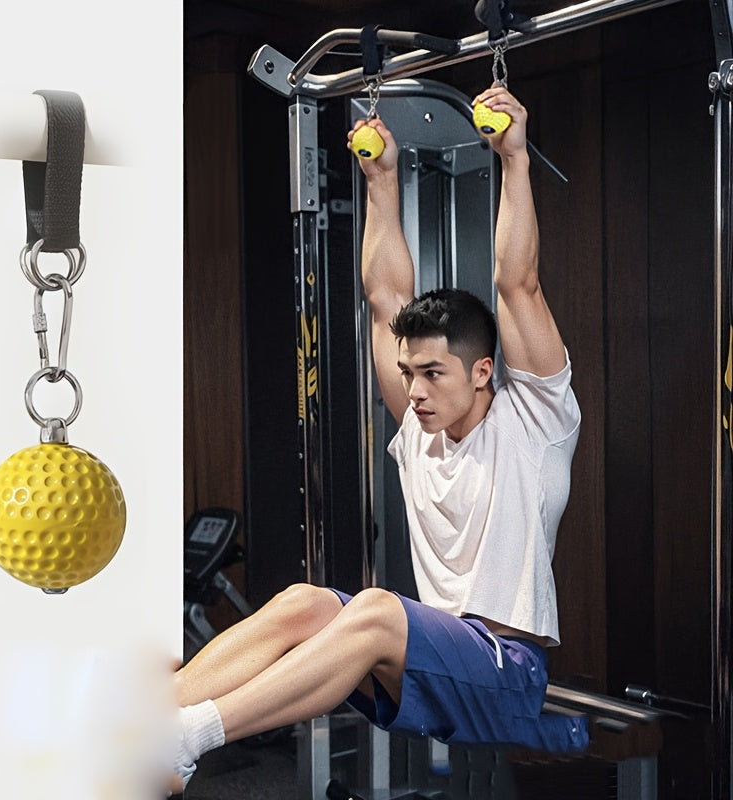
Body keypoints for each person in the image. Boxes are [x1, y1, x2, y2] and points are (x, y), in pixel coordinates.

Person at [168, 84, 588, 795]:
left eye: (433, 374)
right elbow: (385, 298)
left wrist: (514, 159)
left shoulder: (535, 423)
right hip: (431, 661)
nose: (413, 392)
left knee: (373, 608)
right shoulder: (421, 430)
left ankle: (188, 737)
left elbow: (518, 284)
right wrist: (381, 181)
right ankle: (146, 720)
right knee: (305, 603)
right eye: (408, 373)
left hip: (505, 672)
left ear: (483, 371)